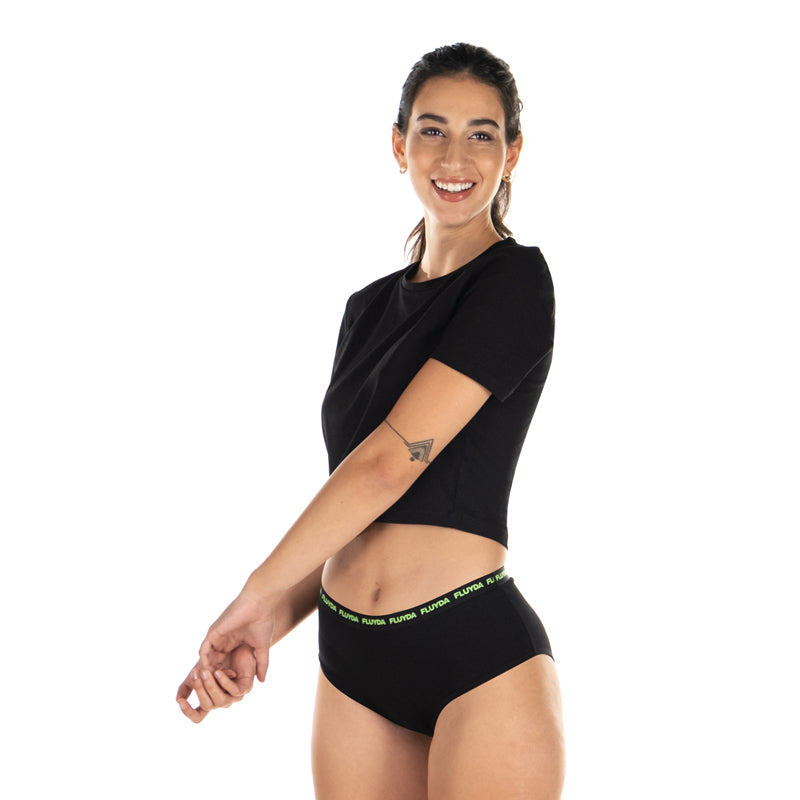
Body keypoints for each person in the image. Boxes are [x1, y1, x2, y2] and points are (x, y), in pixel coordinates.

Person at [176, 42, 565, 800]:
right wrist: (268, 617)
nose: (455, 156)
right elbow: (352, 504)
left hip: (475, 653)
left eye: (482, 134)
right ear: (399, 144)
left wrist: (253, 590)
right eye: (432, 129)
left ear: (512, 153)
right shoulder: (366, 310)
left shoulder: (515, 282)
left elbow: (389, 464)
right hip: (352, 662)